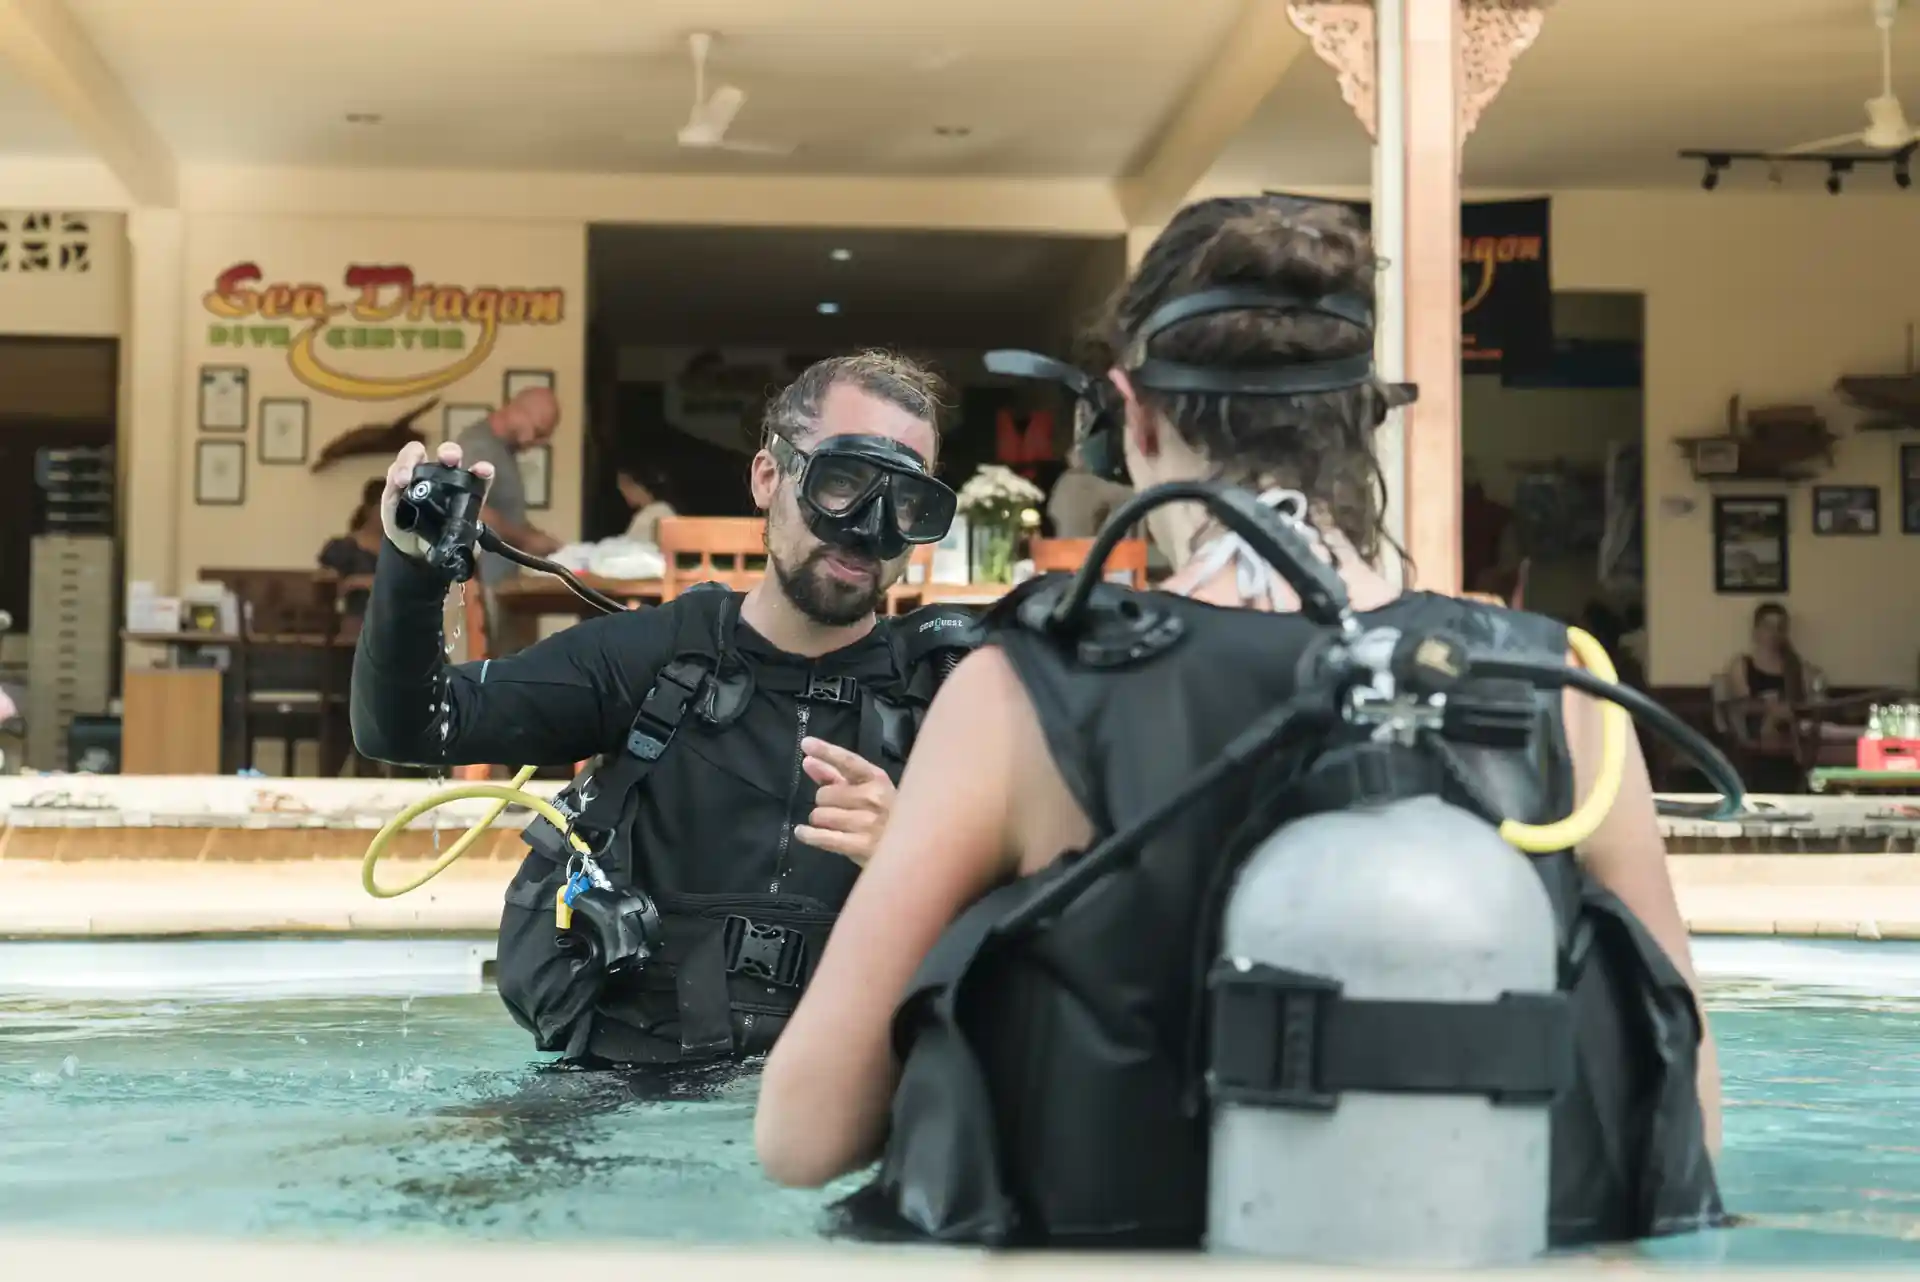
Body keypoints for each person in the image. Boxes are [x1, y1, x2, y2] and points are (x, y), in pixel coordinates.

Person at [755, 197, 1725, 1248]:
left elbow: (801, 1135)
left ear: (1133, 416)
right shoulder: (1559, 689)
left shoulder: (1022, 687)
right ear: (1365, 417)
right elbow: (1686, 1130)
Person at [351, 351, 974, 1070]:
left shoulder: (949, 699)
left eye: (904, 503)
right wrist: (412, 564)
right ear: (769, 477)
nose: (869, 529)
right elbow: (411, 725)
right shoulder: (653, 658)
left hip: (837, 1105)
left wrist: (918, 857)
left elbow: (1060, 943)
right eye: (843, 483)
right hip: (625, 1090)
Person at [318, 481, 386, 615]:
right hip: (356, 626)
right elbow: (326, 591)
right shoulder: (343, 548)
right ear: (369, 509)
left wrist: (362, 582)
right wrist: (348, 584)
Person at [1044, 444, 1133, 538]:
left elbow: (1051, 510)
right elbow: (1124, 495)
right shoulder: (1088, 482)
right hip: (1084, 546)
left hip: (1063, 546)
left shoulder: (1062, 483)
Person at [616, 462, 678, 545]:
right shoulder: (650, 512)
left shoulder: (658, 512)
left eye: (626, 485)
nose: (623, 491)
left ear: (641, 484)